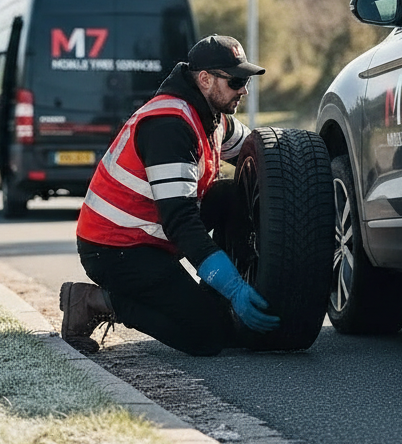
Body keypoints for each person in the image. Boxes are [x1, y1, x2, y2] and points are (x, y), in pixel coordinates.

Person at [60, 34, 280, 356]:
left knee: (231, 193)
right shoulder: (169, 125)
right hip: (116, 250)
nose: (244, 90)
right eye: (236, 81)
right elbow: (181, 222)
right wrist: (232, 287)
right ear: (204, 80)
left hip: (152, 235)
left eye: (245, 81)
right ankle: (94, 302)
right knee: (207, 338)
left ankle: (212, 298)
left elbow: (261, 152)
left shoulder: (212, 117)